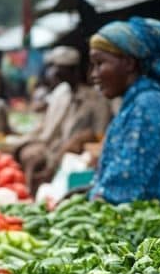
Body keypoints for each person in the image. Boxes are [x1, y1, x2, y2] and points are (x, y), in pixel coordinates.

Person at [87, 18, 160, 208]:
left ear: (128, 63)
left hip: (155, 233)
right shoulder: (136, 103)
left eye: (100, 63)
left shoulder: (148, 104)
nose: (94, 74)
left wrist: (93, 199)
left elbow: (126, 182)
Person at [18, 46, 112, 190]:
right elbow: (47, 129)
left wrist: (79, 140)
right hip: (54, 148)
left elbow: (100, 136)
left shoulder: (97, 100)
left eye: (60, 68)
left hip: (78, 155)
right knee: (30, 155)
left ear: (74, 70)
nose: (54, 73)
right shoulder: (61, 93)